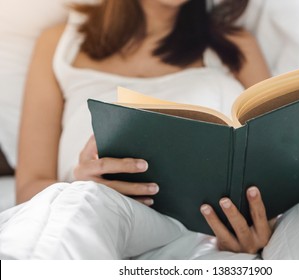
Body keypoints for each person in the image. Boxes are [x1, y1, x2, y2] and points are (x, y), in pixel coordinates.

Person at [0, 0, 272, 259]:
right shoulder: (59, 44)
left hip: (202, 238)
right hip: (91, 218)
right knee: (77, 204)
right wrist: (80, 183)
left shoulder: (236, 46)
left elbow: (277, 166)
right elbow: (29, 188)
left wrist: (258, 227)